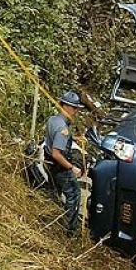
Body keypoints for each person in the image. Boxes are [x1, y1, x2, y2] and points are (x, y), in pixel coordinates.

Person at [44, 91, 86, 234]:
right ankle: (70, 230)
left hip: (49, 163)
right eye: (75, 108)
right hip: (60, 167)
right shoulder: (63, 129)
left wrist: (74, 138)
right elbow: (57, 154)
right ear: (66, 107)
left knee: (54, 191)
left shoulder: (53, 120)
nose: (76, 112)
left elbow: (54, 140)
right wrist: (72, 167)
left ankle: (51, 217)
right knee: (74, 195)